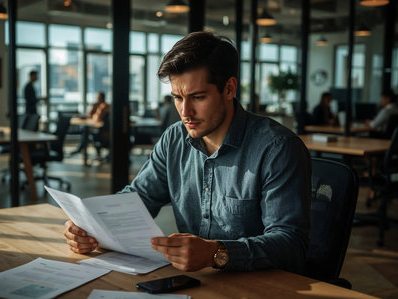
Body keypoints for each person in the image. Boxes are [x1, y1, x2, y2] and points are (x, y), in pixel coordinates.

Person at [64, 32, 311, 273]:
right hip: (197, 282)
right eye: (177, 97)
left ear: (229, 89)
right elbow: (136, 199)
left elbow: (290, 243)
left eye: (197, 97)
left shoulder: (277, 148)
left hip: (260, 286)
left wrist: (217, 253)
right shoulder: (174, 138)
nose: (185, 112)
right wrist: (91, 226)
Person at [70, 92, 110, 156]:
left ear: (102, 98)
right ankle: (83, 150)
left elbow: (97, 118)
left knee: (86, 132)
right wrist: (94, 108)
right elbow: (90, 114)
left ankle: (80, 149)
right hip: (101, 130)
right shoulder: (98, 105)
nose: (97, 99)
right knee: (86, 130)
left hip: (104, 134)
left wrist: (96, 112)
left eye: (98, 98)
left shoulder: (104, 106)